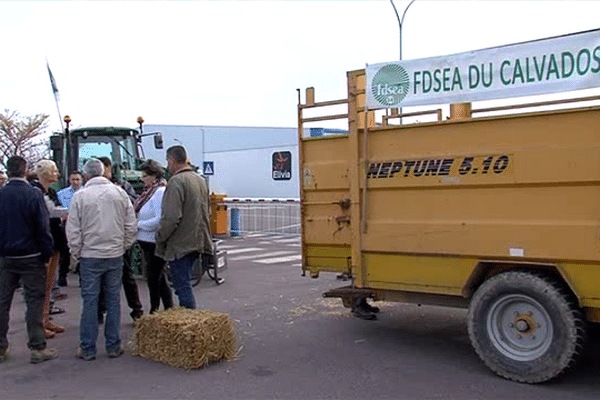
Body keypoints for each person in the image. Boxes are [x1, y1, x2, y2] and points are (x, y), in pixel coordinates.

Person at [66, 158, 137, 360]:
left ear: (85, 175)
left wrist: (77, 252)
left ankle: (87, 348)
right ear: (105, 172)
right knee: (113, 299)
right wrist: (122, 246)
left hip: (90, 255)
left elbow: (73, 229)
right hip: (114, 255)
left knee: (90, 301)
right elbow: (131, 226)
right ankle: (113, 346)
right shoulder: (120, 194)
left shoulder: (80, 197)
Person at [0, 156, 58, 364]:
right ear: (26, 171)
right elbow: (43, 228)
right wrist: (46, 254)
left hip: (6, 256)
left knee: (2, 301)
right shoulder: (33, 195)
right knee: (34, 301)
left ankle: (1, 347)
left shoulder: (1, 194)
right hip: (31, 256)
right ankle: (37, 346)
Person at [156, 146, 212, 309]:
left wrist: (160, 237)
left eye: (168, 161)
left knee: (182, 287)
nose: (167, 166)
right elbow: (207, 210)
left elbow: (171, 217)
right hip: (198, 240)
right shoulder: (199, 180)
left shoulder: (176, 182)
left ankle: (189, 323)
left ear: (172, 160)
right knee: (185, 284)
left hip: (181, 244)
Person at [97, 157, 143, 320]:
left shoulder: (122, 186)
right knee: (99, 279)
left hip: (117, 238)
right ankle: (99, 310)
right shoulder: (89, 189)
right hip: (99, 239)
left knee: (126, 275)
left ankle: (136, 309)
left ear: (109, 168)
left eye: (104, 168)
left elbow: (133, 204)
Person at [32, 160, 68, 338]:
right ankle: (39, 323)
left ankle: (46, 318)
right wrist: (58, 217)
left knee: (49, 284)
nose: (56, 173)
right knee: (41, 285)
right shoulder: (35, 191)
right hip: (44, 244)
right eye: (53, 170)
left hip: (55, 242)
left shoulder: (51, 192)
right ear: (44, 172)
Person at [134, 160, 173, 314]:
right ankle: (168, 308)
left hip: (153, 241)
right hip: (147, 241)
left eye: (145, 176)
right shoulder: (150, 192)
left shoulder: (158, 192)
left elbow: (158, 219)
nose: (142, 179)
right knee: (158, 278)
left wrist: (137, 224)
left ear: (153, 176)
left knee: (154, 278)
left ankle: (154, 309)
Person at [56, 171, 83, 287]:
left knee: (83, 251)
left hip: (82, 223)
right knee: (65, 251)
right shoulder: (62, 194)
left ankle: (83, 277)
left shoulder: (85, 192)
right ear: (69, 180)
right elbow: (57, 207)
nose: (75, 182)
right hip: (67, 224)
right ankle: (62, 276)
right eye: (73, 179)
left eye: (77, 179)